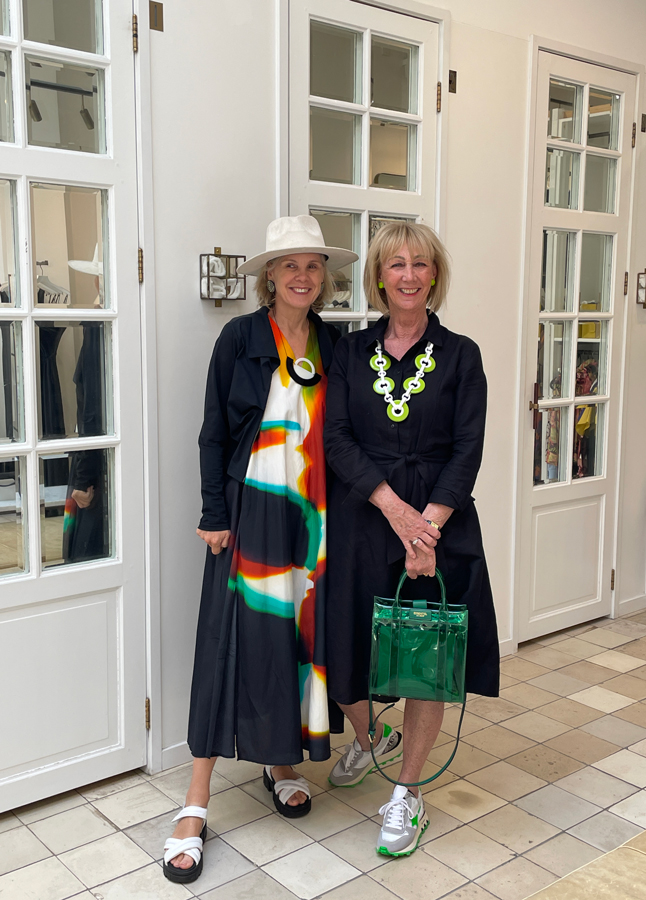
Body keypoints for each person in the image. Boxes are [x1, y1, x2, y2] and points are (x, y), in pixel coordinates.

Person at [163, 216, 357, 884]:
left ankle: (282, 762)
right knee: (228, 644)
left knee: (299, 641)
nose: (302, 277)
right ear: (268, 277)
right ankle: (194, 801)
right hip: (248, 512)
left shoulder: (335, 345)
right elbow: (212, 432)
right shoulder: (239, 339)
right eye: (289, 266)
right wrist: (213, 512)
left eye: (313, 266)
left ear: (323, 279)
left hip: (313, 517)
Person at [324, 221, 500, 858]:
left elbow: (467, 448)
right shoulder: (347, 351)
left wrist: (427, 527)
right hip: (364, 514)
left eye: (419, 263)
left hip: (441, 523)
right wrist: (397, 512)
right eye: (394, 264)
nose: (407, 274)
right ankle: (371, 736)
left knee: (427, 661)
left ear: (434, 275)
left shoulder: (462, 355)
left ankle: (406, 793)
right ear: (378, 276)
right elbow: (337, 440)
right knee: (338, 641)